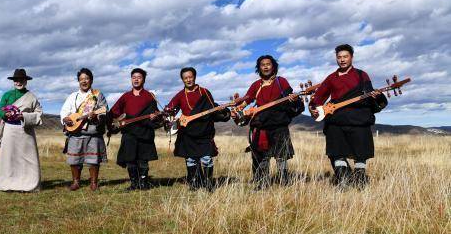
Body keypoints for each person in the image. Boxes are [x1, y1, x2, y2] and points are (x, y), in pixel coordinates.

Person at [309, 44, 387, 187]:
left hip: (359, 120)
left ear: (351, 57)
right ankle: (343, 183)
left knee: (360, 154)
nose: (342, 60)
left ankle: (359, 184)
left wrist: (376, 96)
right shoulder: (331, 78)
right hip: (336, 121)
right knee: (337, 153)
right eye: (339, 57)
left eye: (345, 57)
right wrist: (313, 108)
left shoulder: (361, 75)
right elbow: (318, 98)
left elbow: (368, 95)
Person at [235, 55, 303, 188]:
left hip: (279, 124)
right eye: (262, 64)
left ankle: (284, 183)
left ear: (273, 66)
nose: (266, 66)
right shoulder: (256, 85)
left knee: (281, 156)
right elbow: (247, 100)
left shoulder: (281, 81)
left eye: (268, 64)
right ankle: (262, 183)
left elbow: (290, 96)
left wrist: (293, 99)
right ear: (259, 68)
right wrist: (239, 108)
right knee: (262, 156)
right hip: (262, 126)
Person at [165, 67, 230, 190]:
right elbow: (170, 109)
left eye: (190, 77)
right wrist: (168, 115)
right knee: (191, 160)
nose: (188, 80)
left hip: (205, 131)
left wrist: (224, 113)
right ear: (182, 80)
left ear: (194, 77)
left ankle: (208, 183)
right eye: (185, 78)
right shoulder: (180, 95)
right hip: (188, 132)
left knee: (206, 159)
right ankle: (195, 183)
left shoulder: (204, 92)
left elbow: (212, 108)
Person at [109, 68, 163, 190]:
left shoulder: (150, 96)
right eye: (134, 77)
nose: (136, 79)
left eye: (139, 77)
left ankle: (143, 183)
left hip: (144, 132)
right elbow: (114, 111)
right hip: (129, 133)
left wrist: (155, 117)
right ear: (131, 79)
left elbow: (155, 115)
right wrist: (118, 121)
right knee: (130, 159)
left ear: (143, 79)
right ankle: (134, 183)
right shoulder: (125, 96)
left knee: (143, 160)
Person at [60, 68, 108, 191]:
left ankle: (93, 183)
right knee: (74, 160)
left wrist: (96, 116)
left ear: (91, 80)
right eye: (81, 79)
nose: (84, 81)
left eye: (86, 78)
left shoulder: (98, 95)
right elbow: (64, 111)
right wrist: (65, 118)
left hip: (93, 132)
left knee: (93, 160)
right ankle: (76, 182)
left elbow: (104, 111)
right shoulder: (73, 96)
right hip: (75, 133)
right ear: (78, 81)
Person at [0, 68, 43, 192]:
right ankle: (8, 184)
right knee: (9, 158)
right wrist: (5, 115)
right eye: (16, 80)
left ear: (26, 81)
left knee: (27, 159)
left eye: (21, 80)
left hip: (25, 130)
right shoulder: (7, 95)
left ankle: (28, 184)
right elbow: (0, 109)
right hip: (9, 129)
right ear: (13, 81)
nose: (18, 82)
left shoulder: (32, 97)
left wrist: (24, 116)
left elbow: (38, 114)